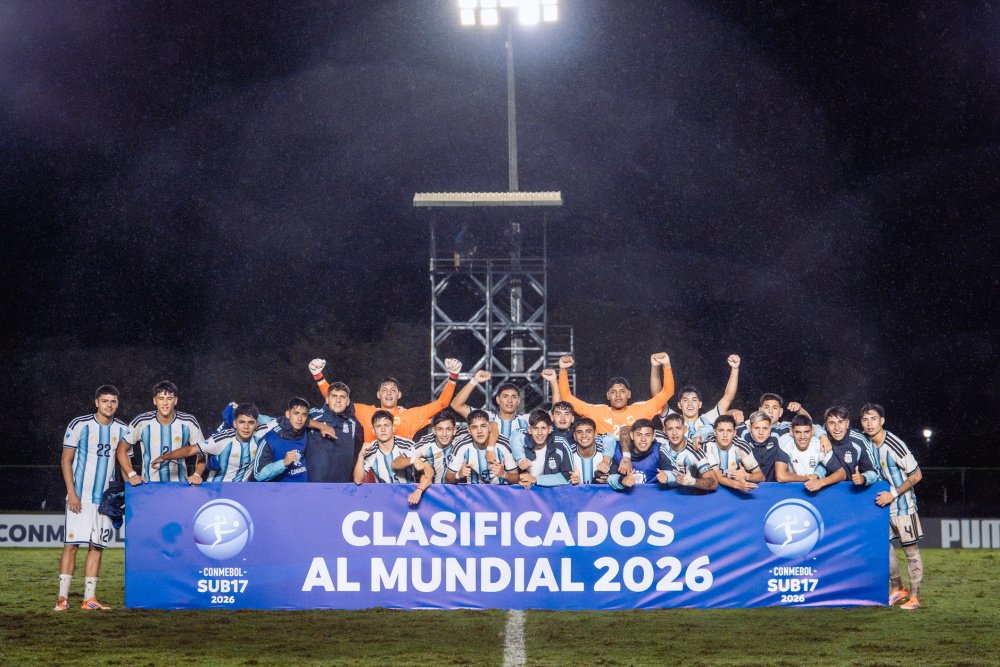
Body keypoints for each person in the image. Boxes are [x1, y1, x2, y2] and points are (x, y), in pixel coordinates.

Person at [55, 385, 130, 611]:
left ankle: (89, 599)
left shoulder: (123, 429)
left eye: (113, 401)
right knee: (71, 546)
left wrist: (127, 493)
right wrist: (72, 493)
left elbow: (124, 464)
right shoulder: (80, 424)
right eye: (105, 401)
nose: (109, 405)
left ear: (117, 404)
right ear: (96, 402)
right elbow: (66, 460)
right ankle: (62, 599)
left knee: (97, 547)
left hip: (105, 501)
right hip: (80, 498)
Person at [860, 403, 924, 611]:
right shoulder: (866, 443)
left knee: (911, 551)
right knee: (882, 546)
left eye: (873, 419)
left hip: (903, 506)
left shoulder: (894, 444)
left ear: (882, 421)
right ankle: (898, 588)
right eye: (865, 420)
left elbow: (917, 475)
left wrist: (894, 494)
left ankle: (915, 598)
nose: (869, 424)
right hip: (882, 507)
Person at [309, 357, 462, 442]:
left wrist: (453, 375)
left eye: (393, 390)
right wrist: (318, 375)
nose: (389, 393)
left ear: (399, 395)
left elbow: (442, 403)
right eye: (384, 390)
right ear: (378, 395)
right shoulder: (367, 412)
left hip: (400, 479)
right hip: (371, 481)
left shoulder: (410, 415)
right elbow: (337, 400)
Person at [557, 353, 675, 438]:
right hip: (606, 462)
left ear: (629, 394)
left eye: (622, 391)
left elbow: (668, 392)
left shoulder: (641, 410)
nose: (618, 395)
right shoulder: (597, 412)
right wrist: (563, 370)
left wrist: (666, 365)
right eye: (613, 392)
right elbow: (567, 398)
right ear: (608, 395)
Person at [116, 381, 204, 486]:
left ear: (175, 400)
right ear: (155, 400)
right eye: (161, 398)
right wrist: (132, 474)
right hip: (149, 486)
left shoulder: (189, 422)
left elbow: (203, 451)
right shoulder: (142, 421)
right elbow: (121, 449)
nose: (165, 403)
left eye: (169, 398)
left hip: (179, 486)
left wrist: (197, 475)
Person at [150, 403, 267, 483]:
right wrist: (164, 457)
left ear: (257, 424)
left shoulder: (261, 432)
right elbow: (191, 449)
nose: (246, 427)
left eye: (251, 422)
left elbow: (276, 421)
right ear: (235, 423)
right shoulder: (221, 439)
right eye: (242, 422)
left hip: (242, 491)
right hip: (216, 489)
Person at [355, 410, 434, 506]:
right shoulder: (370, 450)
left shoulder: (407, 445)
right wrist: (361, 456)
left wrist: (418, 491)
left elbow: (429, 472)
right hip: (385, 500)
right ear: (373, 431)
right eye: (378, 426)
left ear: (393, 428)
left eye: (386, 425)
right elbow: (358, 480)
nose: (383, 429)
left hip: (410, 498)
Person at [451, 368, 558, 439]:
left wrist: (553, 381)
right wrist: (474, 380)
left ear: (518, 401)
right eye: (505, 396)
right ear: (498, 400)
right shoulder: (487, 418)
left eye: (514, 397)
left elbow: (555, 414)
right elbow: (456, 405)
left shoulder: (527, 420)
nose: (510, 400)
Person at [660, 355, 741, 441]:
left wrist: (735, 369)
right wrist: (660, 366)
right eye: (685, 400)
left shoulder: (708, 419)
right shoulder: (672, 421)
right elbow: (659, 397)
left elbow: (728, 397)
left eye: (694, 400)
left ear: (700, 404)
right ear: (679, 405)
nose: (690, 404)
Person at [805, 406, 879, 492]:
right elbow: (810, 426)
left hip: (854, 490)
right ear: (826, 425)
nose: (837, 428)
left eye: (840, 422)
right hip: (828, 489)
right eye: (832, 423)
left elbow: (874, 472)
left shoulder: (859, 440)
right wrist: (817, 475)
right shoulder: (824, 437)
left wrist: (863, 478)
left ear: (847, 423)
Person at [305, 381, 365, 483]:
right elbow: (292, 420)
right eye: (334, 396)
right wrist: (321, 426)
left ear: (348, 402)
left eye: (342, 397)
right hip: (315, 484)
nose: (338, 400)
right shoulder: (314, 415)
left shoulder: (354, 423)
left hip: (343, 485)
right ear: (327, 399)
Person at [446, 410, 519, 485]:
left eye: (483, 426)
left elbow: (516, 478)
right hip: (473, 491)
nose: (479, 431)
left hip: (500, 490)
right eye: (474, 427)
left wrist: (504, 474)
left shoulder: (504, 445)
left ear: (489, 427)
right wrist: (458, 475)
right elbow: (448, 479)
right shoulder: (461, 446)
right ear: (469, 431)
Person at [253, 398, 312, 482]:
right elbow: (258, 475)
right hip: (282, 489)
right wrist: (283, 463)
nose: (300, 418)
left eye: (304, 415)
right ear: (288, 414)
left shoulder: (306, 433)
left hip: (305, 487)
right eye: (296, 413)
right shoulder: (270, 438)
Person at [514, 410, 575, 489]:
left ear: (550, 429)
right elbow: (514, 475)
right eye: (536, 428)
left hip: (553, 494)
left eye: (543, 428)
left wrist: (536, 479)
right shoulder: (520, 445)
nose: (540, 433)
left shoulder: (561, 444)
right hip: (529, 493)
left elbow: (568, 476)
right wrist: (520, 479)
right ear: (529, 430)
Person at [655, 414, 717, 491]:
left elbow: (713, 483)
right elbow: (643, 433)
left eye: (678, 428)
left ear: (685, 429)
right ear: (664, 430)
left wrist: (693, 481)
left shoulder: (694, 451)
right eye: (670, 429)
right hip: (663, 492)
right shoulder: (659, 438)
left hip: (686, 493)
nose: (674, 433)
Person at [702, 414, 763, 492]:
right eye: (721, 430)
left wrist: (747, 476)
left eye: (729, 431)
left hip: (734, 491)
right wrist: (737, 485)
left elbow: (761, 476)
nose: (725, 435)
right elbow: (716, 476)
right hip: (712, 490)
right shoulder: (708, 446)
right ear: (714, 432)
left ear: (734, 433)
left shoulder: (741, 446)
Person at [607, 420, 664, 491]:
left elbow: (672, 472)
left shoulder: (659, 450)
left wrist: (668, 477)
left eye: (647, 435)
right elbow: (610, 477)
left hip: (653, 496)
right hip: (625, 496)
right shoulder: (619, 450)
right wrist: (622, 480)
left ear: (653, 436)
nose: (643, 439)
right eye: (639, 435)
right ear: (632, 435)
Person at [412, 410, 461, 483]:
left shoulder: (461, 443)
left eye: (448, 429)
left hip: (457, 489)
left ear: (454, 431)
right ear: (434, 431)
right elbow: (400, 460)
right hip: (432, 488)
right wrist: (415, 459)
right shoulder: (425, 444)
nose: (444, 434)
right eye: (440, 429)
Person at [775, 414, 825, 481]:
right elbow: (781, 476)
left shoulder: (820, 443)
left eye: (806, 432)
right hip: (793, 484)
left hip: (815, 483)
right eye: (798, 432)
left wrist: (817, 474)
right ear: (791, 432)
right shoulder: (785, 441)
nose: (802, 437)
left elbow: (836, 469)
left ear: (813, 431)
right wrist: (806, 478)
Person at [569, 417, 610, 484]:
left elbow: (611, 438)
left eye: (588, 431)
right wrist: (569, 481)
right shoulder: (568, 453)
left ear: (595, 434)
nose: (584, 435)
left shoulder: (605, 450)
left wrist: (607, 480)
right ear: (574, 436)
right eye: (579, 432)